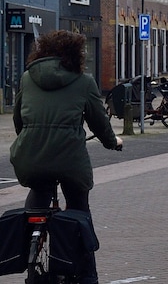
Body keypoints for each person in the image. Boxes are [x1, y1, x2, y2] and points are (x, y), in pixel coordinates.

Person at [10, 30, 122, 284]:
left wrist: (31, 140)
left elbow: (19, 120)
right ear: (76, 54)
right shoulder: (83, 81)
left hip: (30, 156)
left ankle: (28, 247)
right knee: (79, 210)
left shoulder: (27, 78)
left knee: (37, 197)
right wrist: (112, 142)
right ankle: (87, 275)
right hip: (70, 161)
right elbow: (98, 122)